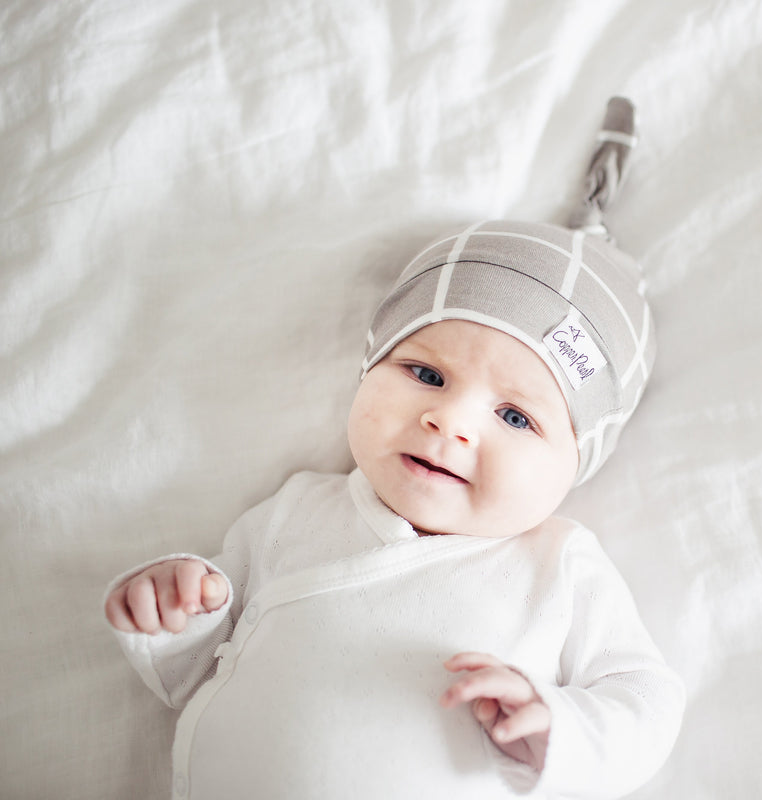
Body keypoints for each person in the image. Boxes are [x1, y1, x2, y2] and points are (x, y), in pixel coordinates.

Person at [102, 98, 685, 800]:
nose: (451, 422)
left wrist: (559, 723)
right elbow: (198, 674)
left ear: (578, 461)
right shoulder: (296, 511)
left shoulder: (558, 565)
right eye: (427, 375)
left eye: (514, 416)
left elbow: (647, 698)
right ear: (370, 366)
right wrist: (173, 616)